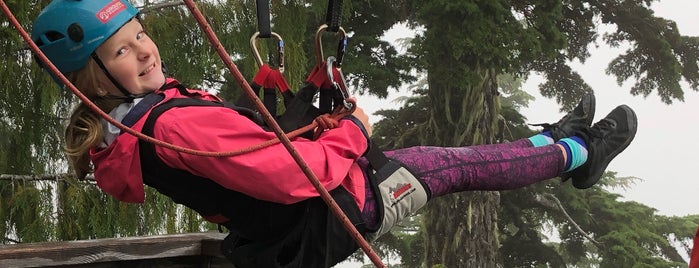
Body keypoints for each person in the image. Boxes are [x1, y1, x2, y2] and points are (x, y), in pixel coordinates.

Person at [31, 0, 637, 267]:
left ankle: (558, 140)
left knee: (446, 160)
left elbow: (242, 153)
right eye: (122, 49)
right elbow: (295, 175)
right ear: (93, 76)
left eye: (139, 32)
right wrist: (349, 128)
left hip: (283, 235)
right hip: (326, 216)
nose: (144, 49)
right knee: (453, 165)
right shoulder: (173, 124)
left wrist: (298, 106)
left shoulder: (129, 129)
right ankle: (577, 153)